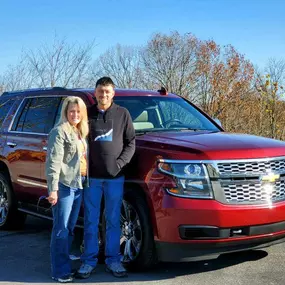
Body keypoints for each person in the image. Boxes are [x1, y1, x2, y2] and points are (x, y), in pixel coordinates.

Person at [76, 76, 135, 279]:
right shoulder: (87, 114)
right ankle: (88, 261)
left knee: (112, 221)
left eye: (107, 91)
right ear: (95, 93)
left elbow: (131, 143)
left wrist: (119, 164)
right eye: (101, 91)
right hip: (91, 179)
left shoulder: (122, 114)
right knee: (91, 220)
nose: (104, 95)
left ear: (113, 93)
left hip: (115, 178)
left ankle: (113, 260)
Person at [45, 96, 89, 283]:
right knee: (61, 229)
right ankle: (60, 271)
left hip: (79, 184)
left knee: (70, 228)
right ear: (66, 112)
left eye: (79, 111)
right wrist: (53, 189)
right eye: (72, 111)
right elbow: (53, 163)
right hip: (64, 186)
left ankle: (64, 261)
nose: (75, 114)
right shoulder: (59, 131)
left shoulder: (80, 131)